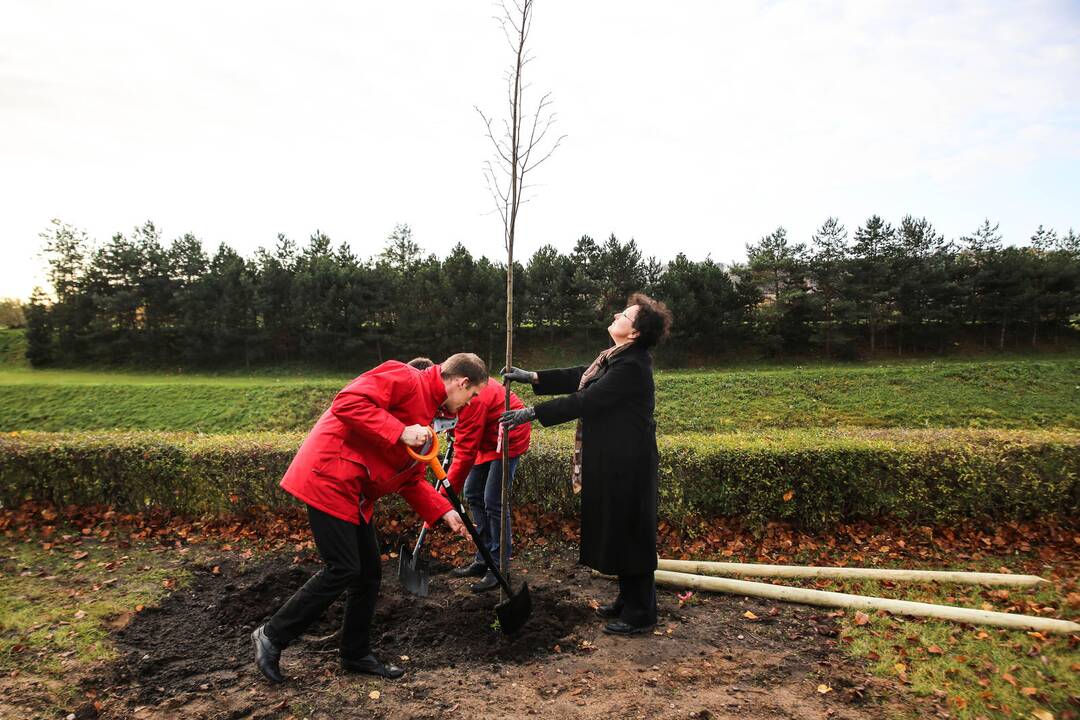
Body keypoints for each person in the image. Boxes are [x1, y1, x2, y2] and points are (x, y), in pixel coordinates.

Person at [252, 353, 487, 684]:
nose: (468, 404)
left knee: (369, 573)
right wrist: (400, 431)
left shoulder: (430, 411)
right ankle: (272, 635)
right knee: (344, 568)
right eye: (472, 395)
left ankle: (355, 653)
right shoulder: (405, 378)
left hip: (354, 492)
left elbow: (410, 477)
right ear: (462, 383)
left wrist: (445, 511)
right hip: (328, 477)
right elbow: (346, 403)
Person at [501, 293, 672, 636]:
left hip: (630, 464)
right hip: (614, 460)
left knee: (632, 532)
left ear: (635, 332)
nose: (616, 315)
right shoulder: (615, 357)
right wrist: (533, 376)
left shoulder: (633, 367)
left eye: (624, 314)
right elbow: (582, 377)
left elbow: (588, 398)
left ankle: (642, 613)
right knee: (621, 529)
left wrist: (532, 413)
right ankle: (627, 600)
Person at [443, 377, 531, 592]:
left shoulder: (474, 397)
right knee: (473, 493)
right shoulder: (449, 387)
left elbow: (465, 453)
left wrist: (442, 500)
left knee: (494, 501)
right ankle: (484, 558)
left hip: (507, 435)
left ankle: (499, 567)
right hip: (486, 436)